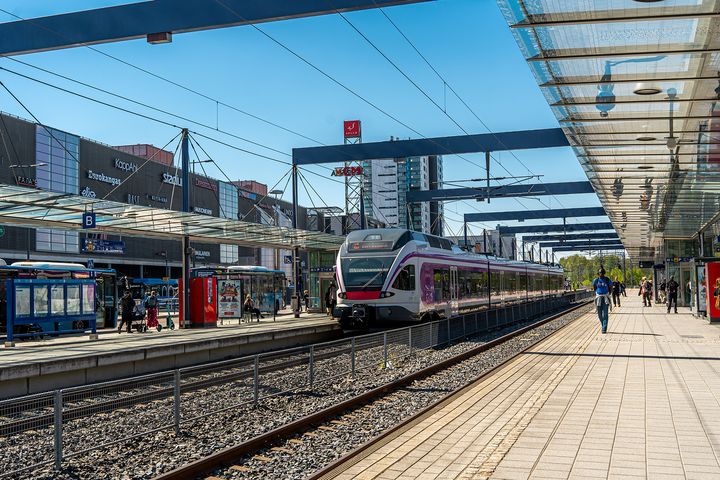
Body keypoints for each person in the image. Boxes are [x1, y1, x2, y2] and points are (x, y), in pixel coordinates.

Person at [593, 268, 612, 334]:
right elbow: (594, 288)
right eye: (599, 273)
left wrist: (608, 294)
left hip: (605, 298)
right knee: (599, 314)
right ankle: (603, 324)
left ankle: (604, 328)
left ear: (604, 273)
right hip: (599, 298)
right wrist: (597, 294)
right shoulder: (596, 280)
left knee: (605, 314)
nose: (601, 274)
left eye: (602, 273)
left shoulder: (607, 279)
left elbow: (610, 287)